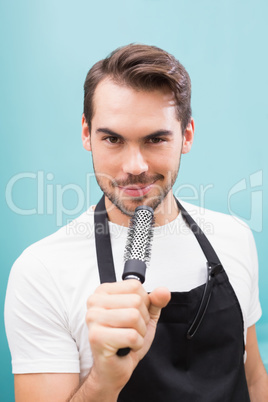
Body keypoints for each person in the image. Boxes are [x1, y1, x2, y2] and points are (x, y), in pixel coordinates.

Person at [5, 44, 268, 401]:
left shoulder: (234, 238)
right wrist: (104, 380)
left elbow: (254, 381)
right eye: (112, 139)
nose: (135, 166)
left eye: (156, 139)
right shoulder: (41, 271)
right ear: (87, 133)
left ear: (186, 136)